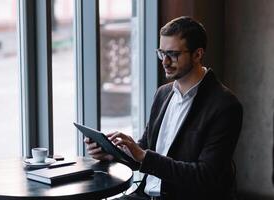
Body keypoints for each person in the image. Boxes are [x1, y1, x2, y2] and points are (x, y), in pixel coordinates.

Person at [85, 16, 243, 200]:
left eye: (173, 54)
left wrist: (143, 156)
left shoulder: (225, 105)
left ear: (198, 54)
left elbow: (205, 175)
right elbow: (145, 149)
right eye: (161, 53)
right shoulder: (163, 93)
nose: (165, 62)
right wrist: (112, 154)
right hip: (145, 195)